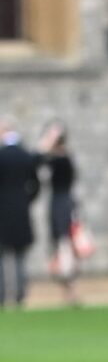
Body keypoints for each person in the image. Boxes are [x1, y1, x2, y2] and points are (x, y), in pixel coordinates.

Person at [39, 126, 82, 306]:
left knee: (64, 245)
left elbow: (39, 158)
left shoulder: (57, 161)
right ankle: (69, 289)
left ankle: (69, 289)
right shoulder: (67, 159)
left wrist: (46, 145)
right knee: (65, 246)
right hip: (66, 203)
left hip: (60, 204)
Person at [0, 118, 38, 309]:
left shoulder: (1, 156)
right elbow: (35, 184)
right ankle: (20, 295)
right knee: (20, 256)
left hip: (3, 212)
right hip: (21, 210)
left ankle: (2, 295)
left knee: (2, 256)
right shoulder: (25, 155)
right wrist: (26, 200)